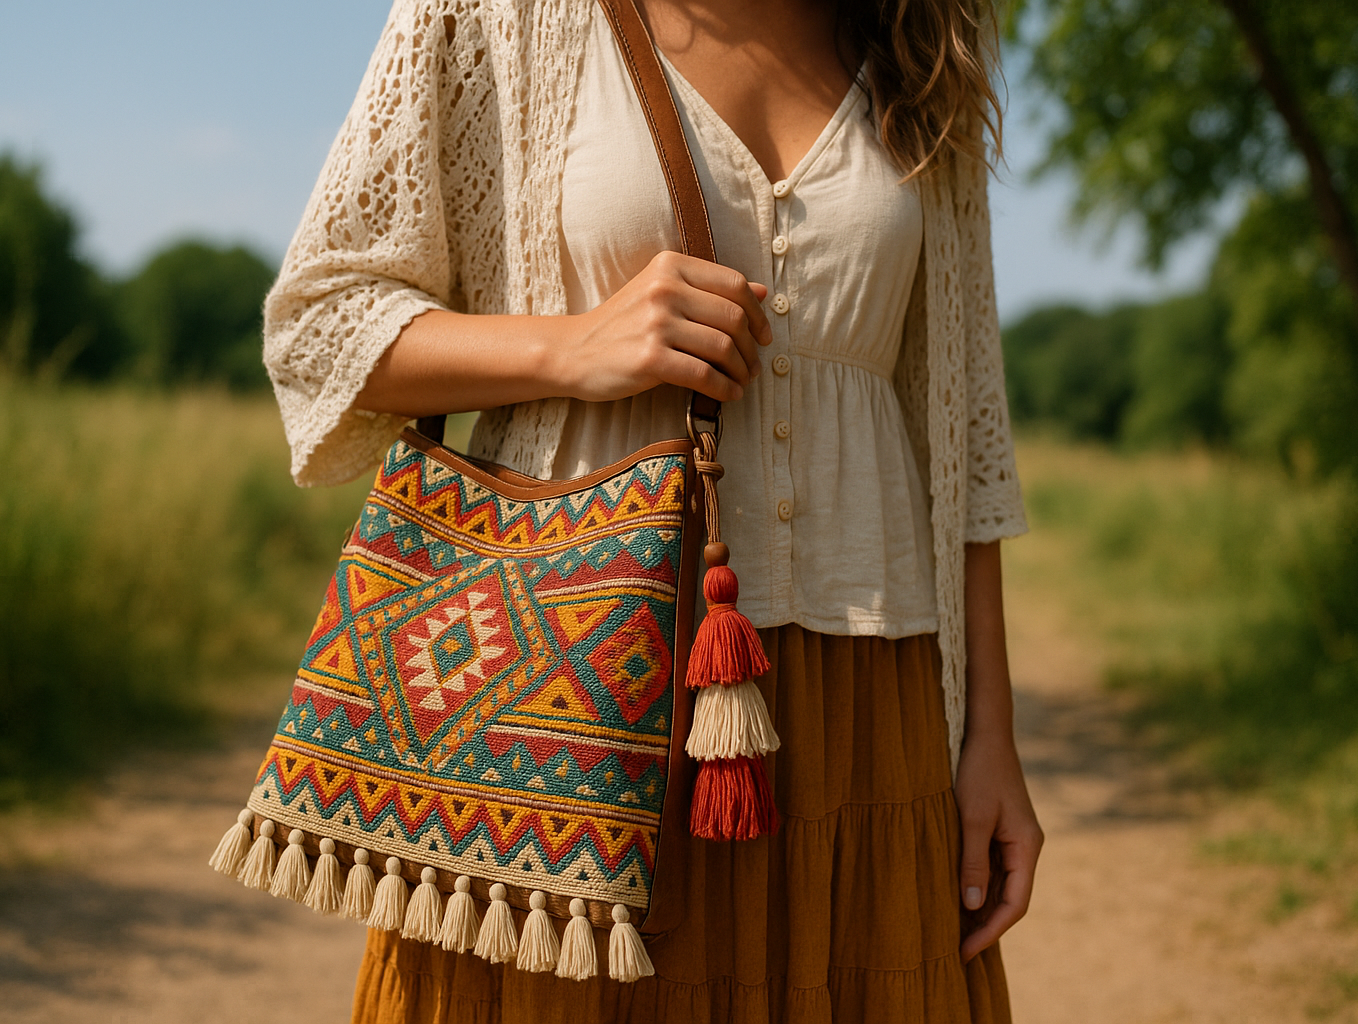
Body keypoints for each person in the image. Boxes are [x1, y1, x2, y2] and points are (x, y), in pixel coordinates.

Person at [262, 0, 1042, 1020]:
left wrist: (991, 735)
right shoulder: (496, 15)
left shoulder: (921, 34)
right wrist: (572, 346)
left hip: (871, 701)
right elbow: (322, 327)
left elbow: (961, 423)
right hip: (575, 676)